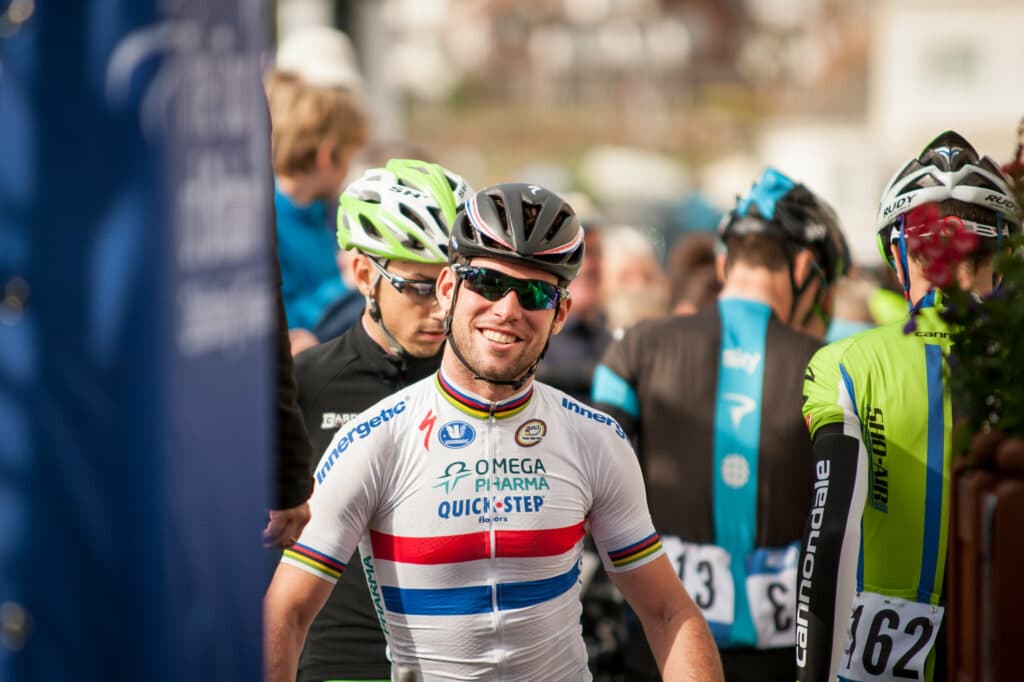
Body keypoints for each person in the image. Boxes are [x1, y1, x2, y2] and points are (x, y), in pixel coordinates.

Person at [264, 183, 724, 682]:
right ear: (447, 289)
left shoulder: (594, 439)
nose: (506, 308)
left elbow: (669, 614)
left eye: (534, 293)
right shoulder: (377, 440)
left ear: (561, 314)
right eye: (485, 280)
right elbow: (284, 614)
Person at [591, 167, 850, 682]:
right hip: (785, 656)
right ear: (804, 268)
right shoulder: (831, 365)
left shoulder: (633, 349)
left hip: (659, 648)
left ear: (726, 260)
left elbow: (592, 496)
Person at [797, 130, 1021, 682]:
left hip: (877, 665)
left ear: (898, 253)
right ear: (1004, 253)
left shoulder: (843, 364)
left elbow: (831, 536)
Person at [291, 158, 472, 682]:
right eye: (418, 286)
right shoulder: (306, 384)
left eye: (455, 284)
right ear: (365, 274)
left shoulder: (484, 383)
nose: (441, 308)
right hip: (339, 661)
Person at [265, 69, 369, 352]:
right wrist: (347, 282)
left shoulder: (328, 211)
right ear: (327, 155)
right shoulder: (265, 222)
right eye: (349, 156)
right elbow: (280, 322)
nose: (349, 169)